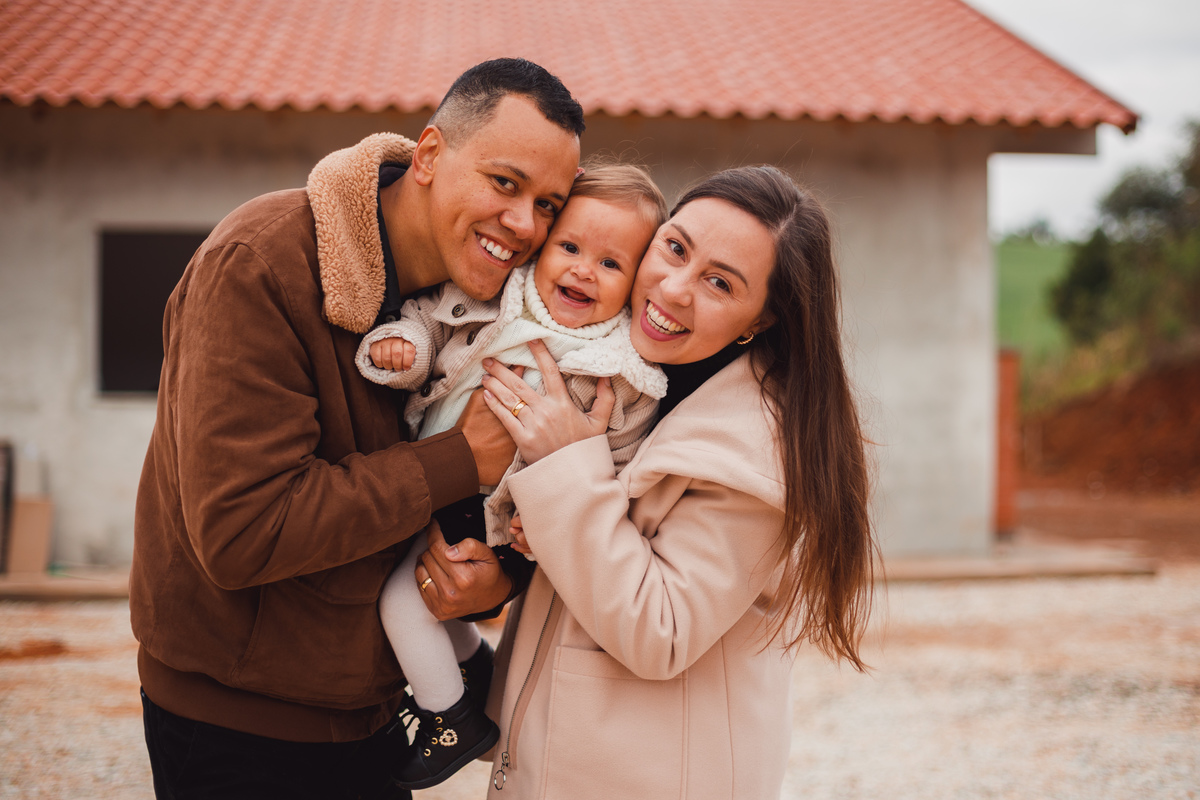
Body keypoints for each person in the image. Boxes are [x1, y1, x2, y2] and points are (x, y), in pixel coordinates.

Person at [129, 58, 584, 800]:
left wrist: (492, 578)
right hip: (242, 729)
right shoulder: (261, 264)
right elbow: (242, 530)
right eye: (505, 183)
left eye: (548, 205)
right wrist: (459, 459)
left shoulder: (479, 302)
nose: (525, 225)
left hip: (368, 715)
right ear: (430, 155)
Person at [474, 165, 878, 799]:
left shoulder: (755, 451)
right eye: (675, 247)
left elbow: (659, 630)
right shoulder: (634, 372)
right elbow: (594, 562)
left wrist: (566, 467)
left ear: (761, 320)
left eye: (719, 283)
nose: (674, 287)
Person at [353, 163, 668, 789]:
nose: (582, 269)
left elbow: (626, 457)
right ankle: (476, 668)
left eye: (610, 265)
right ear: (544, 247)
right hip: (438, 465)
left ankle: (450, 720)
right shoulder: (498, 299)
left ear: (634, 287)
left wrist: (557, 509)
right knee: (434, 593)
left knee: (402, 600)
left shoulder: (616, 369)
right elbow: (430, 317)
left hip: (507, 510)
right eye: (570, 248)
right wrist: (407, 347)